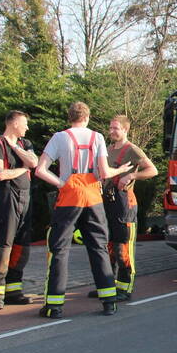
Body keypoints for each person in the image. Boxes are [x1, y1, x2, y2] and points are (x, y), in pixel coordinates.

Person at [34, 102, 132, 318]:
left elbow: (40, 170)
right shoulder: (97, 137)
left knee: (59, 249)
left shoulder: (60, 137)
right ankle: (109, 302)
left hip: (69, 196)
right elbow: (104, 172)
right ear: (87, 118)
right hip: (93, 196)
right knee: (98, 247)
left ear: (69, 117)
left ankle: (54, 306)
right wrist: (121, 169)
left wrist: (62, 184)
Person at [87, 115, 158, 302]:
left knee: (123, 247)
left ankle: (125, 288)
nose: (111, 131)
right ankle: (108, 286)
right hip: (106, 202)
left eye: (115, 128)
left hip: (124, 204)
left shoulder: (132, 150)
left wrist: (132, 176)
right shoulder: (107, 149)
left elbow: (153, 170)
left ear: (125, 130)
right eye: (110, 128)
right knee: (108, 245)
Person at [0, 110, 38, 310]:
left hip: (25, 198)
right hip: (4, 199)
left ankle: (13, 291)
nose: (27, 127)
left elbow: (33, 162)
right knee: (2, 245)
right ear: (14, 123)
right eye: (24, 123)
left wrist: (16, 147)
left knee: (22, 246)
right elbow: (0, 174)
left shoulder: (25, 144)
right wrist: (23, 170)